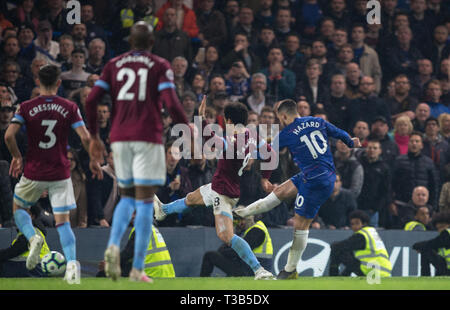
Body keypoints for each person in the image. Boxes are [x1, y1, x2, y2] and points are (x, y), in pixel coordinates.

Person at [85, 22, 189, 283]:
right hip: (148, 139)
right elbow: (172, 103)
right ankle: (137, 268)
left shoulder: (113, 65)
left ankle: (112, 245)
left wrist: (95, 136)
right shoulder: (160, 65)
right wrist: (187, 128)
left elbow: (90, 100)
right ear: (152, 43)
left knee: (127, 197)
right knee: (144, 203)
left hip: (119, 139)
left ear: (130, 42)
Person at [234, 99, 361, 279]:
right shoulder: (318, 121)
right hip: (318, 174)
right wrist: (350, 142)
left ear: (284, 115)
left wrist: (245, 153)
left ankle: (290, 269)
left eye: (280, 119)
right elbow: (340, 134)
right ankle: (243, 213)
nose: (281, 122)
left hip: (315, 181)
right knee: (280, 192)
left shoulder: (287, 133)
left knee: (300, 225)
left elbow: (266, 153)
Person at [154, 97, 275, 280]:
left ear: (228, 121)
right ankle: (164, 210)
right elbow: (271, 154)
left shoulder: (232, 141)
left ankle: (258, 270)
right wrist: (265, 178)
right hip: (225, 187)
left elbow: (210, 138)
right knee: (192, 198)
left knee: (226, 236)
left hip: (222, 191)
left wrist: (201, 118)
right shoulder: (254, 138)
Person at [4, 64, 91, 284]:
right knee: (63, 222)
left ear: (37, 82)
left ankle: (32, 237)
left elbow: (8, 136)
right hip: (61, 172)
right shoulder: (70, 107)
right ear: (59, 83)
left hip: (34, 170)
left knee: (18, 208)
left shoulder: (25, 107)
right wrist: (96, 162)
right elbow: (85, 137)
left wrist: (16, 156)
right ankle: (71, 265)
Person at [200, 215, 273, 277]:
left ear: (247, 219)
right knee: (217, 255)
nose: (238, 223)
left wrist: (223, 250)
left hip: (251, 271)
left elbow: (236, 252)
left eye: (240, 220)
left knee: (210, 255)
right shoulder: (250, 230)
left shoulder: (257, 231)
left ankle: (202, 282)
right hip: (249, 267)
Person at [97, 222, 175, 279]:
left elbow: (128, 254)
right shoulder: (151, 228)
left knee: (104, 273)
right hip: (167, 274)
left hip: (151, 273)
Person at [328, 210, 392, 277]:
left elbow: (340, 246)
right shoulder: (371, 232)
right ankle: (344, 276)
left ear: (364, 223)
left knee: (337, 248)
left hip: (372, 271)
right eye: (352, 224)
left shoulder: (361, 236)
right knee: (351, 255)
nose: (354, 227)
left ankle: (333, 276)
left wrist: (333, 246)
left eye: (357, 223)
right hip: (385, 271)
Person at [0, 205, 50, 278]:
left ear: (33, 216)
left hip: (28, 267)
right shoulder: (37, 230)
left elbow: (15, 251)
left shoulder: (31, 232)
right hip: (39, 267)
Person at [412, 211, 450, 276]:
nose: (441, 230)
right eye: (439, 228)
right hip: (446, 270)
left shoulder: (447, 233)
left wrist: (418, 245)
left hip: (447, 270)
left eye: (443, 227)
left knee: (425, 249)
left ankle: (425, 276)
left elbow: (433, 243)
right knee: (426, 248)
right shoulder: (443, 238)